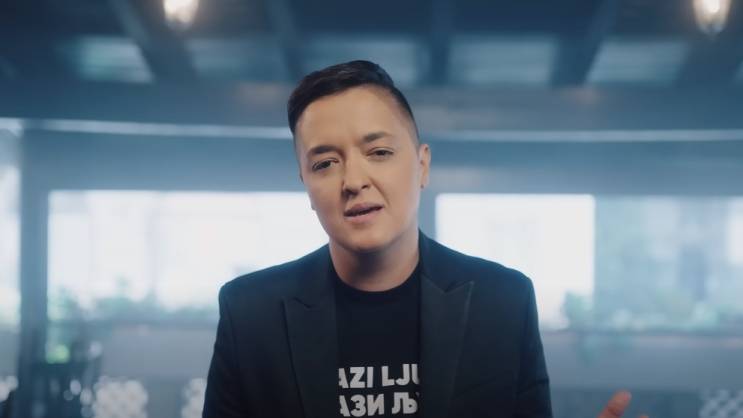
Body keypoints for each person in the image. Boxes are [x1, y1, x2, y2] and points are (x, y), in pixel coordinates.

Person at [203, 60, 644, 418]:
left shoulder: (503, 302)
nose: (353, 180)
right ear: (305, 183)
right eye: (324, 164)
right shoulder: (250, 314)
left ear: (422, 165)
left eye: (379, 152)